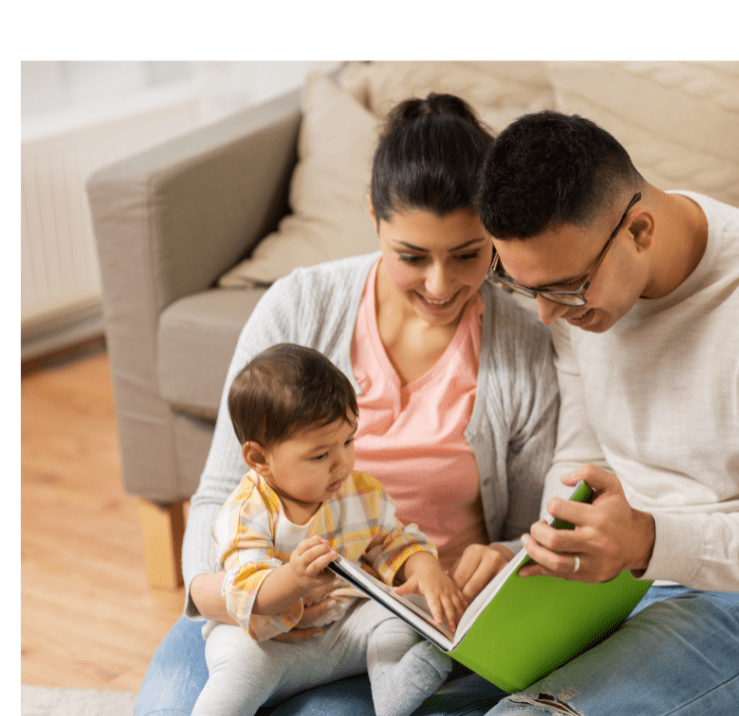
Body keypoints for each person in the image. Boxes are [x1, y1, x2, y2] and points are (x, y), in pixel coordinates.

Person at [133, 94, 558, 716]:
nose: (441, 286)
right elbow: (220, 490)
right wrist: (231, 600)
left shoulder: (524, 344)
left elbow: (528, 528)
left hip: (401, 625)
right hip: (253, 608)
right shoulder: (299, 305)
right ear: (373, 217)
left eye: (468, 254)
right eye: (412, 256)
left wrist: (498, 557)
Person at [470, 110, 739, 715]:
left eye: (564, 288)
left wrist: (648, 541)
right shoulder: (575, 298)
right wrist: (552, 549)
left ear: (639, 230)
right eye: (522, 286)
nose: (547, 316)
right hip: (621, 589)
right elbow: (584, 457)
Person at [192, 343, 466, 716]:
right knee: (237, 671)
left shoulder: (360, 492)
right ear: (260, 459)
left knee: (400, 611)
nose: (342, 464)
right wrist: (294, 578)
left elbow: (392, 541)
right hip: (267, 642)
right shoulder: (247, 511)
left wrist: (426, 569)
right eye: (320, 455)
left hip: (340, 629)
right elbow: (247, 592)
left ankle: (393, 691)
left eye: (349, 441)